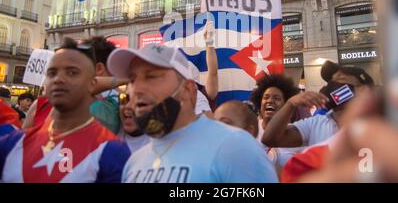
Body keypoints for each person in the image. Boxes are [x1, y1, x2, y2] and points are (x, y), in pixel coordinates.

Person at [107, 44, 278, 183]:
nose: (136, 88)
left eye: (151, 76)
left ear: (187, 90)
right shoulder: (134, 163)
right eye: (132, 79)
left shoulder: (235, 146)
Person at [0, 38, 130, 183]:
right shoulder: (14, 143)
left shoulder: (111, 151)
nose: (58, 79)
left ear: (94, 82)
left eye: (72, 73)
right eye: (52, 73)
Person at [262, 61, 374, 151]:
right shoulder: (316, 123)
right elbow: (270, 139)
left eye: (341, 80)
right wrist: (290, 104)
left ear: (364, 90)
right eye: (331, 82)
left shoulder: (380, 124)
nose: (331, 86)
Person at [250, 74, 310, 167]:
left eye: (277, 98)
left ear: (286, 106)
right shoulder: (250, 130)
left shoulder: (296, 134)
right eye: (266, 97)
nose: (270, 101)